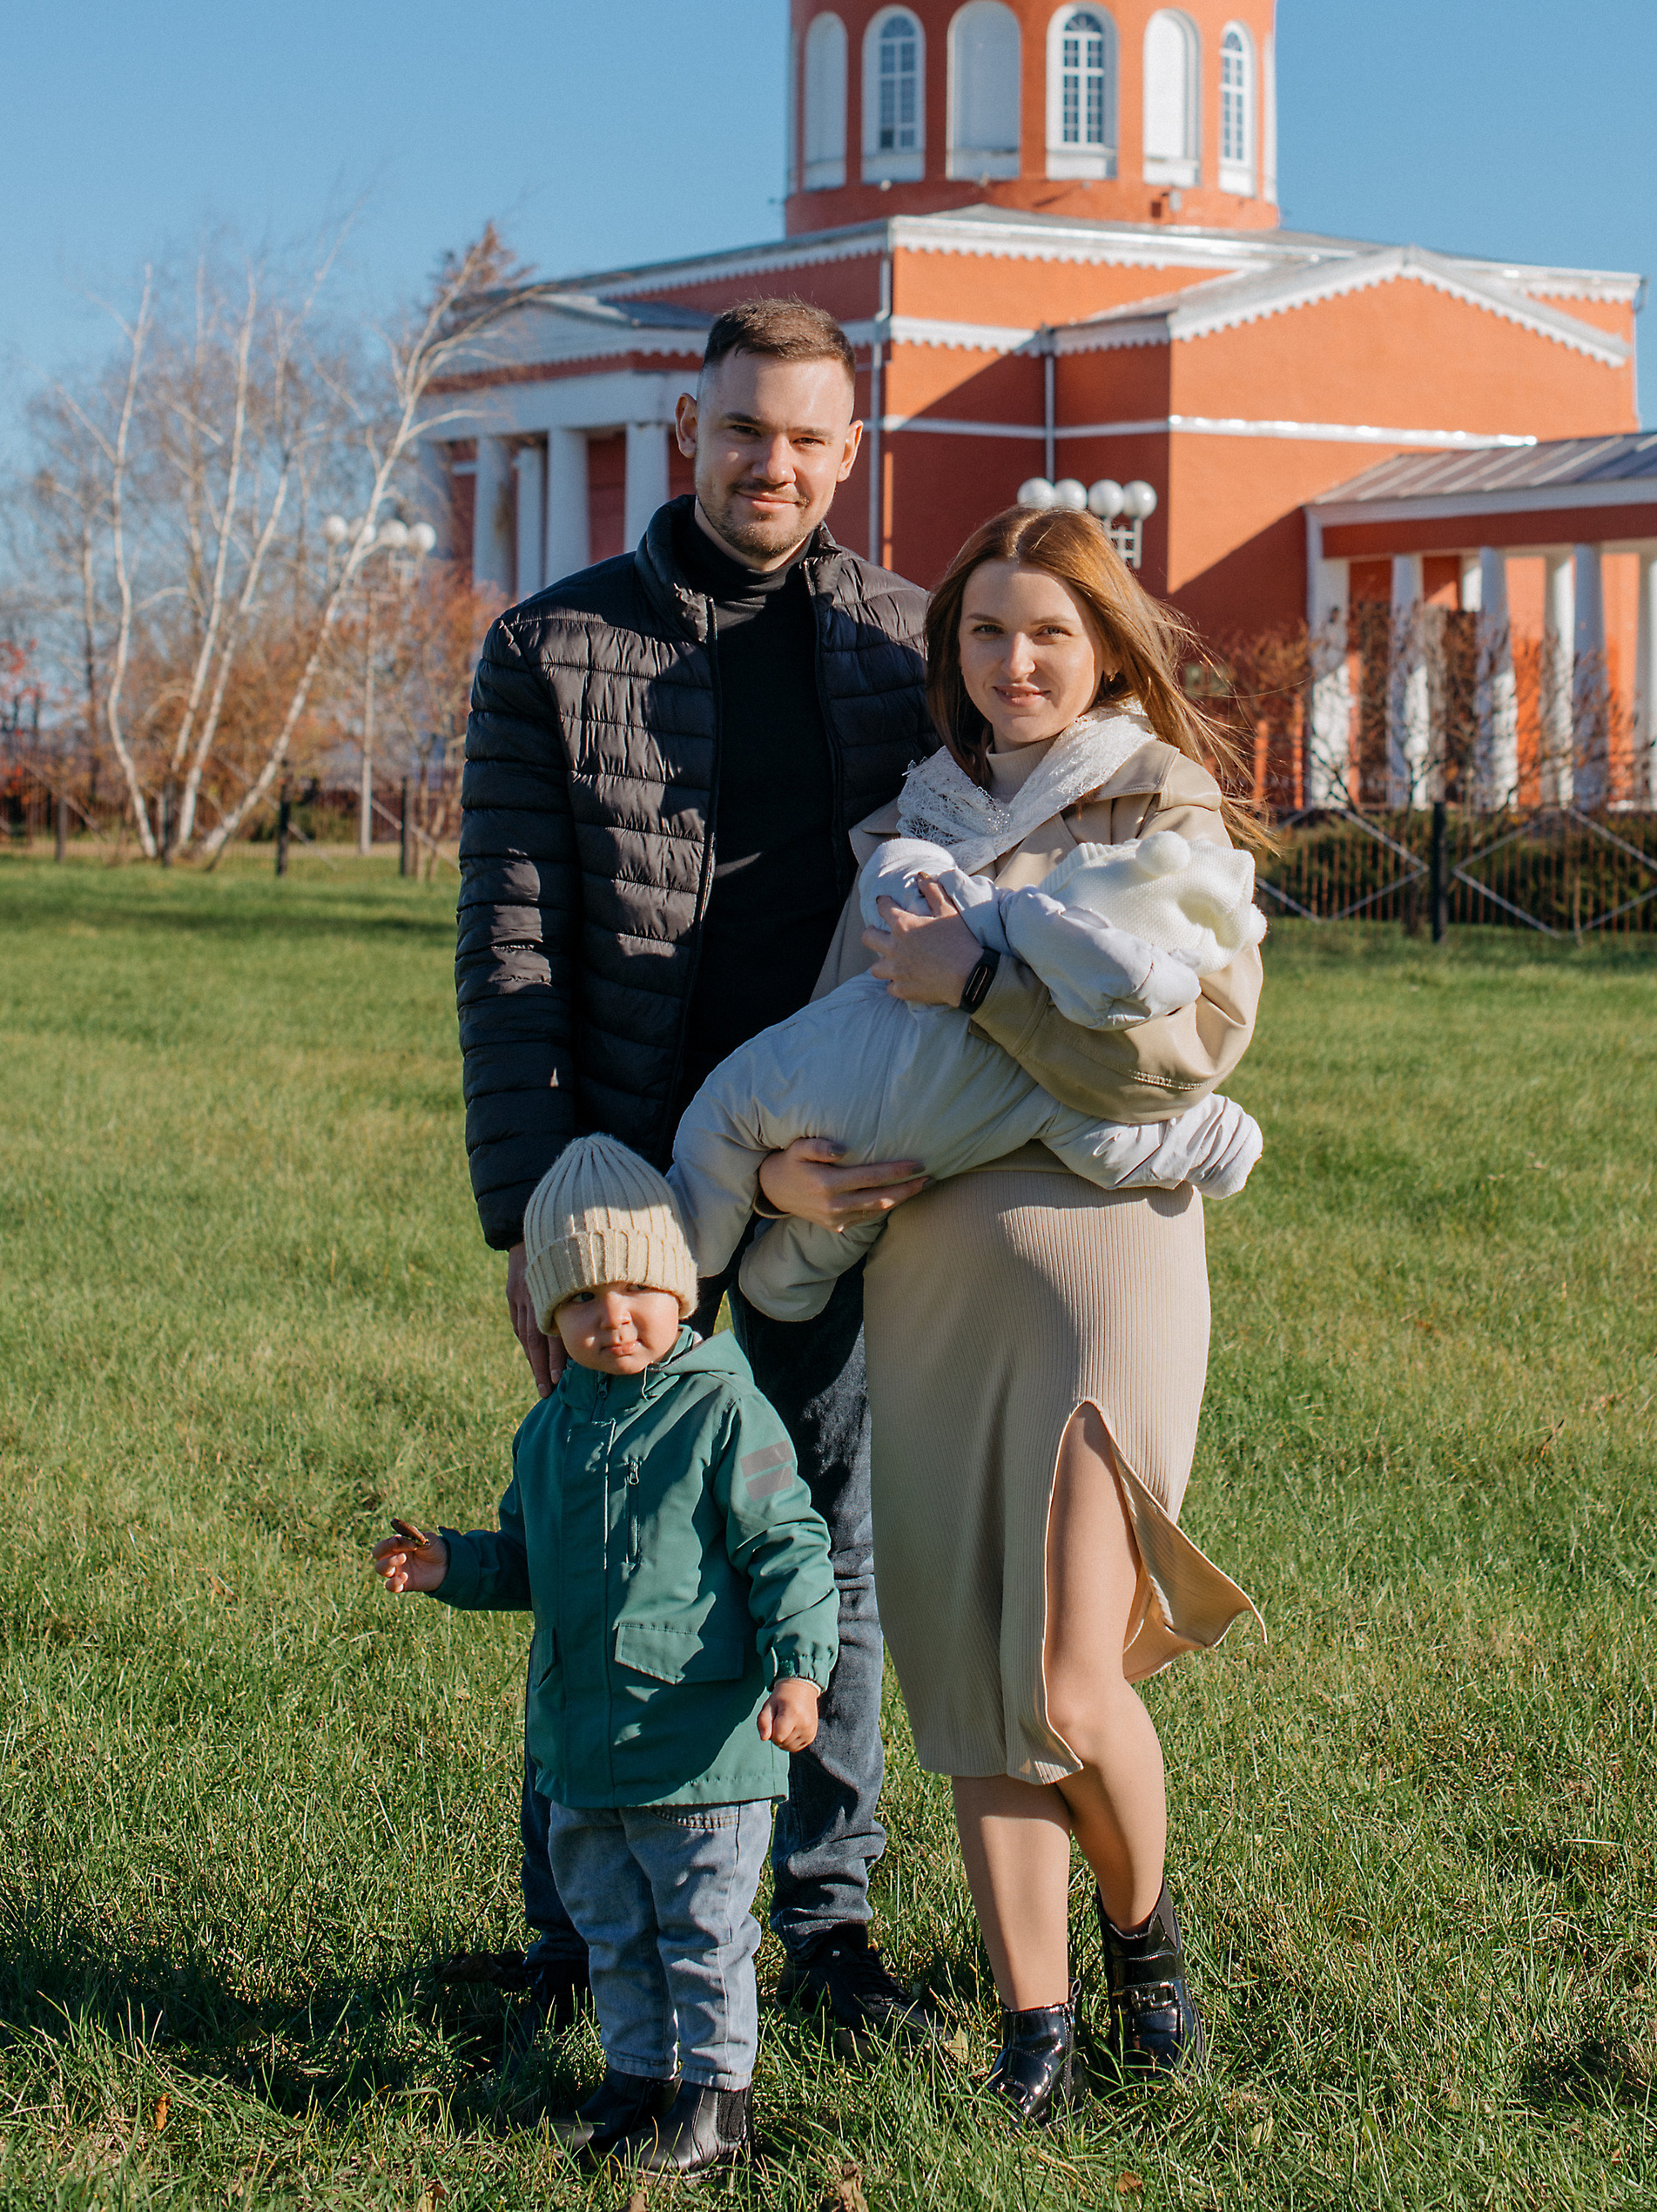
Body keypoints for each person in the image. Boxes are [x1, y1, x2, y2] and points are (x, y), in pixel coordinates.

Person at [455, 295, 932, 2038]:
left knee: (818, 1551)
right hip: (624, 1187)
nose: (776, 467)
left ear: (847, 450)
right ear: (687, 424)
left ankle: (821, 1927)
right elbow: (510, 950)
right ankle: (579, 1940)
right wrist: (537, 1214)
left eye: (810, 440)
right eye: (747, 432)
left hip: (829, 1178)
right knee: (602, 1550)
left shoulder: (902, 644)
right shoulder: (550, 645)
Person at [755, 505, 1263, 2123]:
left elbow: (1183, 1059)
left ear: (1105, 645)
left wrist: (977, 987)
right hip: (930, 1284)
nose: (1017, 660)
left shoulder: (1161, 810)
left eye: (1049, 630)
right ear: (952, 656)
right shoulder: (909, 828)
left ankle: (1146, 1943)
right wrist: (780, 1195)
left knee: (1060, 1672)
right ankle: (1033, 2028)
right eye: (986, 633)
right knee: (971, 1676)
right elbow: (831, 1055)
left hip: (1106, 1269)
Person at [375, 1136, 837, 2183]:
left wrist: (799, 1671)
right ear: (547, 1313)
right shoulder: (549, 1432)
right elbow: (532, 1563)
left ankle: (719, 2101)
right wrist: (453, 1563)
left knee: (703, 1931)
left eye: (635, 1285)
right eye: (580, 1298)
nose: (611, 1315)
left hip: (701, 1751)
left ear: (678, 1286)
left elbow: (791, 1549)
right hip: (583, 1747)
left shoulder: (724, 1411)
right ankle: (636, 2080)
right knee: (614, 1929)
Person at [667, 817, 1265, 1318]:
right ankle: (731, 1282)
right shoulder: (1052, 1065)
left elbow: (899, 872)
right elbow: (1118, 1143)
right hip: (867, 1155)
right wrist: (1227, 1142)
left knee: (729, 1141)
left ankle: (679, 1266)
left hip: (834, 1119)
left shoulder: (995, 933)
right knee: (801, 1231)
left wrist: (974, 972)